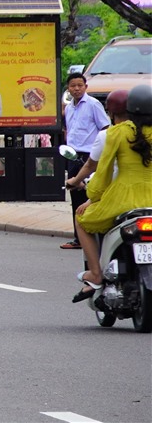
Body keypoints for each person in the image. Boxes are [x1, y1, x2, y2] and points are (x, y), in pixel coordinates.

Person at [72, 84, 152, 303]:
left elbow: (103, 172)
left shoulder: (116, 133)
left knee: (82, 219)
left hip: (124, 199)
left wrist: (92, 197)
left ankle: (96, 274)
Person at [60, 70, 110, 250]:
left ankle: (94, 235)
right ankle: (79, 238)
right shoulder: (69, 107)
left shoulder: (93, 104)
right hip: (73, 155)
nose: (76, 89)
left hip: (91, 156)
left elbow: (105, 128)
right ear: (68, 88)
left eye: (80, 86)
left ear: (86, 87)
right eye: (73, 86)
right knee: (75, 195)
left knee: (93, 194)